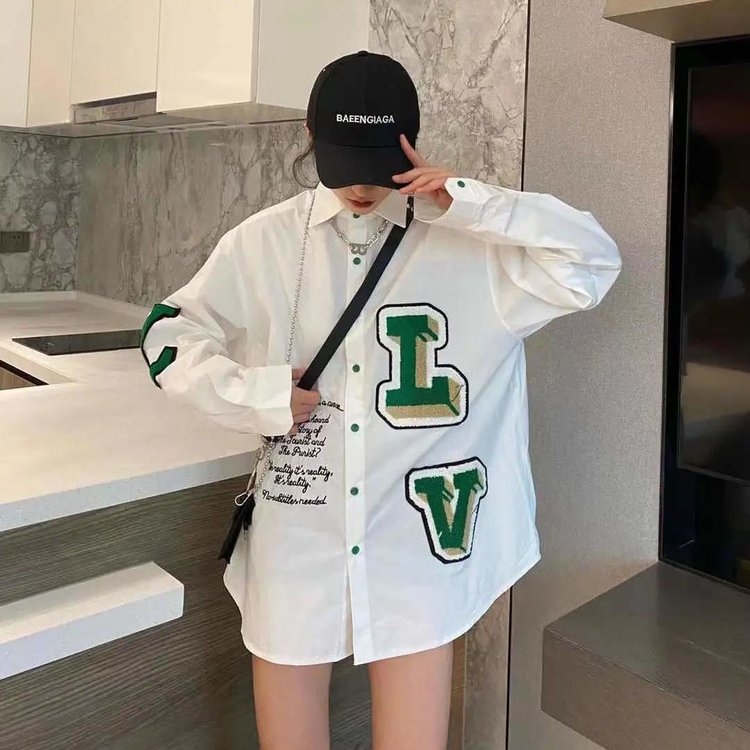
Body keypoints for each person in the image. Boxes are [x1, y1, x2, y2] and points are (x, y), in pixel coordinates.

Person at [140, 51, 621, 750]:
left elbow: (594, 262)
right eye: (343, 163)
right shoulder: (266, 241)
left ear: (409, 145)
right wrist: (255, 395)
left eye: (375, 163)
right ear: (311, 136)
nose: (361, 186)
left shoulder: (474, 245)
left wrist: (473, 201)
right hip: (298, 531)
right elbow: (167, 332)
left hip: (419, 543)